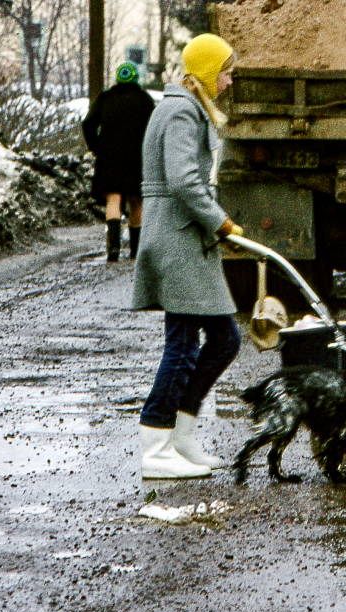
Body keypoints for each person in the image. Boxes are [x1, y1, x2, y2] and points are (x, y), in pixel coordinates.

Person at [131, 34, 244, 480]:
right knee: (182, 344)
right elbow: (182, 180)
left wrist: (218, 225)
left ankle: (179, 437)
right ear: (207, 72)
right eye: (227, 72)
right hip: (178, 238)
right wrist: (222, 223)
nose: (230, 81)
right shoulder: (181, 110)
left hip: (183, 237)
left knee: (225, 340)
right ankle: (156, 444)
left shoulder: (184, 107)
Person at [81, 61, 156, 262]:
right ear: (135, 78)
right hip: (137, 158)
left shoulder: (105, 99)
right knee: (136, 201)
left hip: (109, 157)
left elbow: (88, 123)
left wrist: (96, 148)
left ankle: (113, 248)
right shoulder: (144, 100)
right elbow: (154, 130)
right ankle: (135, 250)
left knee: (113, 199)